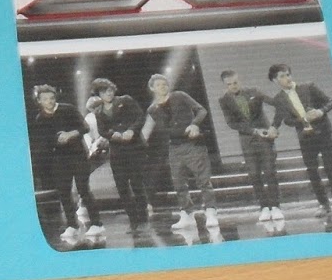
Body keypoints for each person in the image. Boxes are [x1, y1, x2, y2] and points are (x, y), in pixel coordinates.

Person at [29, 84, 105, 246]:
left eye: (51, 98)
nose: (49, 101)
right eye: (45, 99)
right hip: (59, 159)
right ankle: (72, 225)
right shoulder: (40, 118)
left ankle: (97, 224)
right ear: (39, 101)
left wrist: (70, 134)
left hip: (77, 156)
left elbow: (84, 127)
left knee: (83, 189)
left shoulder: (67, 109)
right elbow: (44, 141)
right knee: (63, 192)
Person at [268, 63, 332, 217]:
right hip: (305, 137)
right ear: (275, 80)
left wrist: (320, 111)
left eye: (288, 74)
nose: (287, 78)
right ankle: (324, 205)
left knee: (330, 168)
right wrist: (302, 120)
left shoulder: (308, 87)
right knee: (312, 171)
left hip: (323, 132)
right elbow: (286, 120)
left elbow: (330, 101)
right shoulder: (279, 99)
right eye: (282, 76)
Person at [144, 73, 218, 232]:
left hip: (193, 144)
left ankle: (210, 211)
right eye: (158, 85)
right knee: (178, 183)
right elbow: (165, 129)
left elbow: (201, 110)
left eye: (164, 84)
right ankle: (187, 213)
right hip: (175, 147)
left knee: (203, 180)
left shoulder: (179, 96)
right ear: (152, 88)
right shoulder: (153, 109)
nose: (162, 87)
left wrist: (195, 124)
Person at [217, 70, 282, 222]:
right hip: (247, 140)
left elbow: (276, 104)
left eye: (235, 82)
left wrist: (274, 126)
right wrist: (253, 131)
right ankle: (264, 207)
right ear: (225, 85)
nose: (233, 86)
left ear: (239, 80)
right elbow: (231, 123)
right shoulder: (224, 100)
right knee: (254, 174)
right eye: (229, 84)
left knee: (269, 172)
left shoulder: (254, 91)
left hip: (265, 138)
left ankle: (276, 207)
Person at [91, 77, 150, 227]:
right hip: (117, 152)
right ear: (99, 94)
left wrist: (131, 130)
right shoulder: (98, 111)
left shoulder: (126, 100)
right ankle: (133, 217)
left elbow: (140, 117)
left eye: (110, 90)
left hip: (134, 148)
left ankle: (143, 215)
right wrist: (112, 135)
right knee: (121, 185)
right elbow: (102, 130)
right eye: (104, 92)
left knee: (136, 183)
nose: (108, 94)